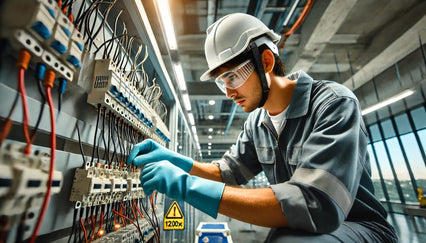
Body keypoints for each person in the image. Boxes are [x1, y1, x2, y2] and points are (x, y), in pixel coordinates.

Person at [128, 13, 397, 242]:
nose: (229, 93)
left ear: (266, 62)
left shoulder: (333, 104)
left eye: (232, 76)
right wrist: (174, 160)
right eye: (222, 82)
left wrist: (186, 186)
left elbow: (316, 203)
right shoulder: (258, 124)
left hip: (361, 228)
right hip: (309, 229)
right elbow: (226, 173)